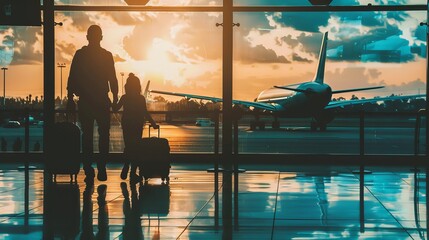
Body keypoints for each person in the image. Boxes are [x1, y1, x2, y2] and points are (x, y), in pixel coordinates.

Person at [67, 25, 119, 183]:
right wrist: (115, 97)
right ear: (101, 38)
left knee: (87, 135)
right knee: (104, 135)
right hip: (101, 100)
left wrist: (70, 98)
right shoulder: (107, 56)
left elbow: (72, 76)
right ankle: (101, 167)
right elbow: (112, 78)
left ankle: (88, 168)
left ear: (87, 37)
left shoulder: (80, 55)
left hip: (86, 101)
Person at [113, 73, 158, 183]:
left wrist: (113, 100)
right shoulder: (140, 98)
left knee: (128, 146)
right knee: (136, 147)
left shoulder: (124, 97)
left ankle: (126, 166)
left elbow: (115, 108)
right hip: (137, 124)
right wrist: (153, 123)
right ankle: (133, 173)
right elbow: (145, 112)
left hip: (126, 123)